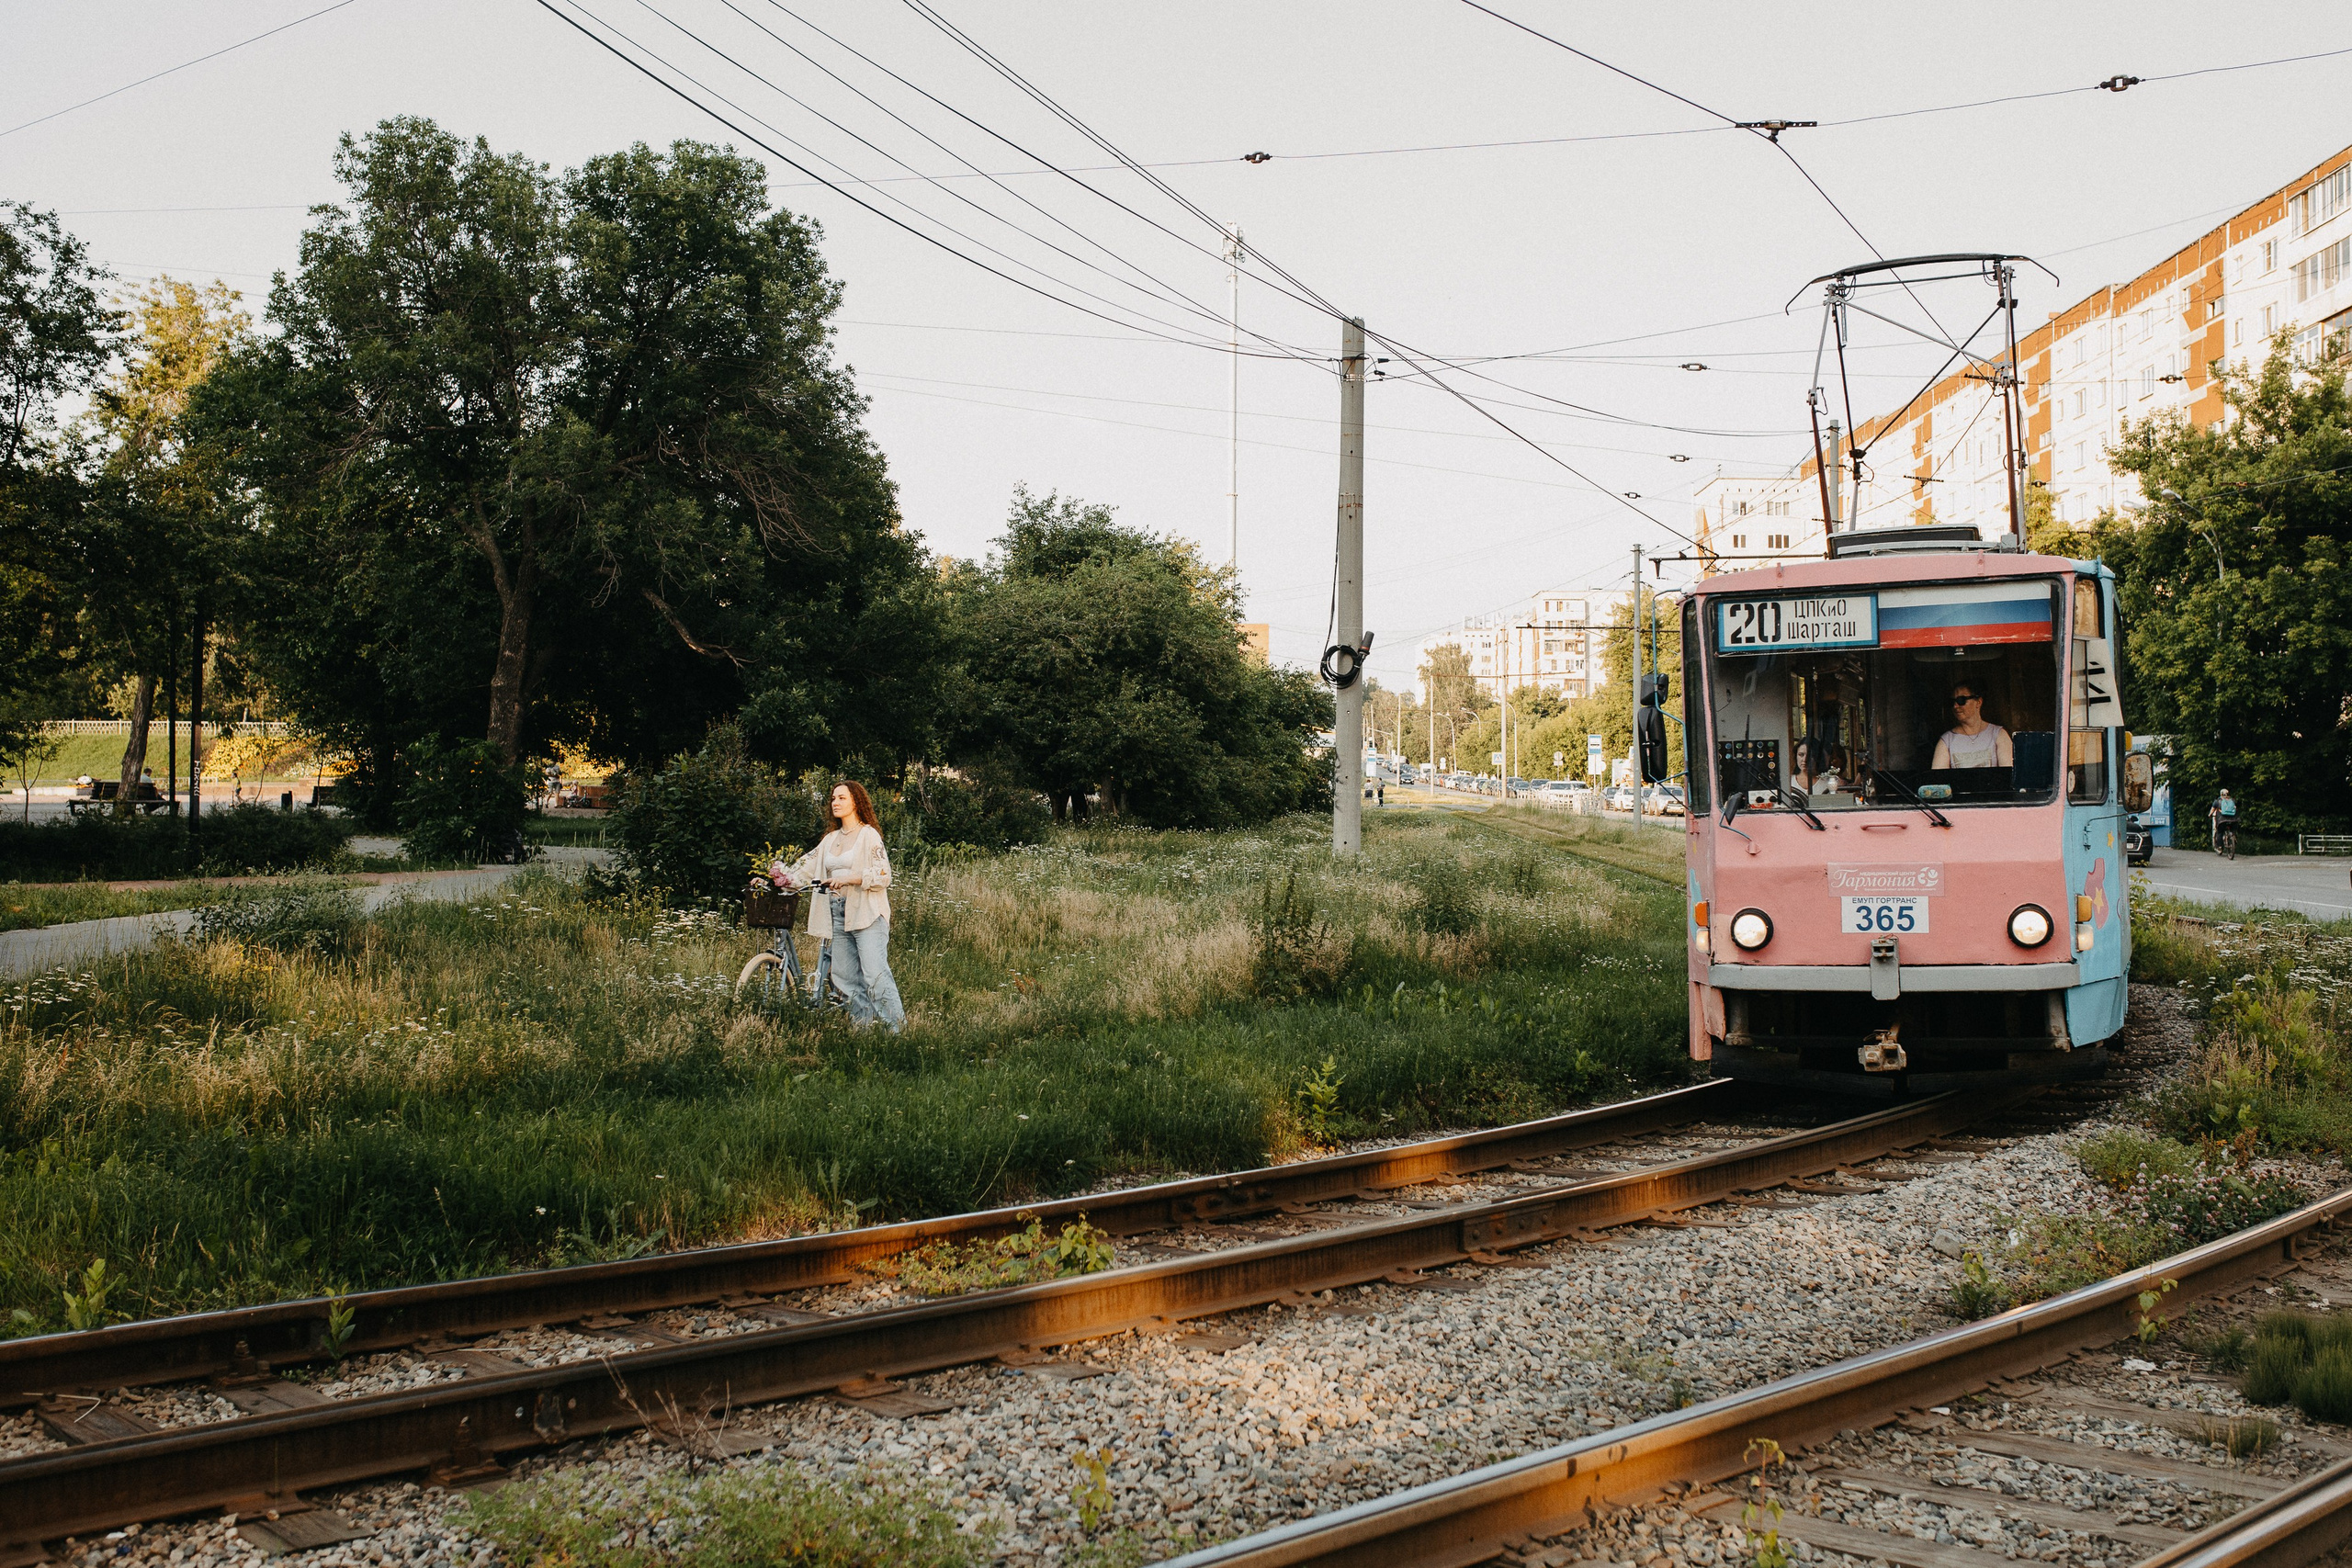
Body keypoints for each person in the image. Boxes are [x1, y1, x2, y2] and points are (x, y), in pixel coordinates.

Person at [786, 781, 905, 1032]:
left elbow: (884, 874)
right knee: (844, 978)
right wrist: (776, 878)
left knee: (875, 974)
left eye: (842, 798)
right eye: (833, 798)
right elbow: (804, 868)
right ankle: (863, 1030)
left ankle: (896, 1033)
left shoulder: (868, 835)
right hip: (837, 913)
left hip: (867, 913)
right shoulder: (830, 840)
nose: (835, 803)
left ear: (856, 802)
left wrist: (850, 878)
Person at [1930, 682, 2013, 770]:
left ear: (1978, 702)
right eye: (1952, 702)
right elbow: (1939, 776)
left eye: (1961, 700)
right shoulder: (1946, 741)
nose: (1955, 706)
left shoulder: (1998, 734)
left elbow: (2008, 773)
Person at [2210, 789, 2238, 853]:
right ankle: (2233, 837)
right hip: (2234, 819)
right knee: (2233, 829)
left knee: (2220, 832)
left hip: (2222, 820)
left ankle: (2220, 847)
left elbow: (2213, 809)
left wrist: (2209, 815)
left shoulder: (2217, 801)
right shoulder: (2233, 800)